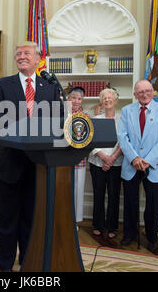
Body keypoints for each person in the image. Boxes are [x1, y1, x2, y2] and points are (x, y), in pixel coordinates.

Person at [0, 41, 62, 271]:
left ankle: (28, 262)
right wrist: (32, 125)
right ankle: (5, 266)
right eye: (18, 53)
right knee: (7, 221)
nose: (21, 56)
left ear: (38, 59)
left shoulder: (50, 87)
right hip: (8, 164)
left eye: (26, 53)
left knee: (32, 220)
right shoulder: (2, 85)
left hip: (38, 165)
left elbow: (58, 120)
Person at [118, 80, 158, 255]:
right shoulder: (127, 111)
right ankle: (130, 234)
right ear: (135, 94)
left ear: (153, 92)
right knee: (130, 202)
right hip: (131, 164)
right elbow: (122, 137)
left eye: (147, 90)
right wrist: (134, 158)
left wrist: (147, 161)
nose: (144, 94)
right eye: (140, 91)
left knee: (153, 206)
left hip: (154, 166)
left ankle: (151, 238)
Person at [88, 88, 123, 241]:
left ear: (115, 100)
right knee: (99, 194)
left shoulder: (123, 119)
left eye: (110, 97)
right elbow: (90, 141)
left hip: (116, 163)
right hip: (97, 163)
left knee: (114, 196)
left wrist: (112, 158)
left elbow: (125, 141)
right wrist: (103, 156)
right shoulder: (95, 119)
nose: (107, 100)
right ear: (101, 102)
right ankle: (98, 225)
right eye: (104, 98)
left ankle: (112, 226)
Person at [67, 86, 89, 225]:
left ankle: (74, 222)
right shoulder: (60, 114)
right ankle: (62, 220)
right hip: (61, 158)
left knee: (77, 191)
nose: (76, 101)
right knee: (63, 190)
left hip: (78, 159)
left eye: (79, 98)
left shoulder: (85, 116)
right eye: (73, 97)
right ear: (68, 98)